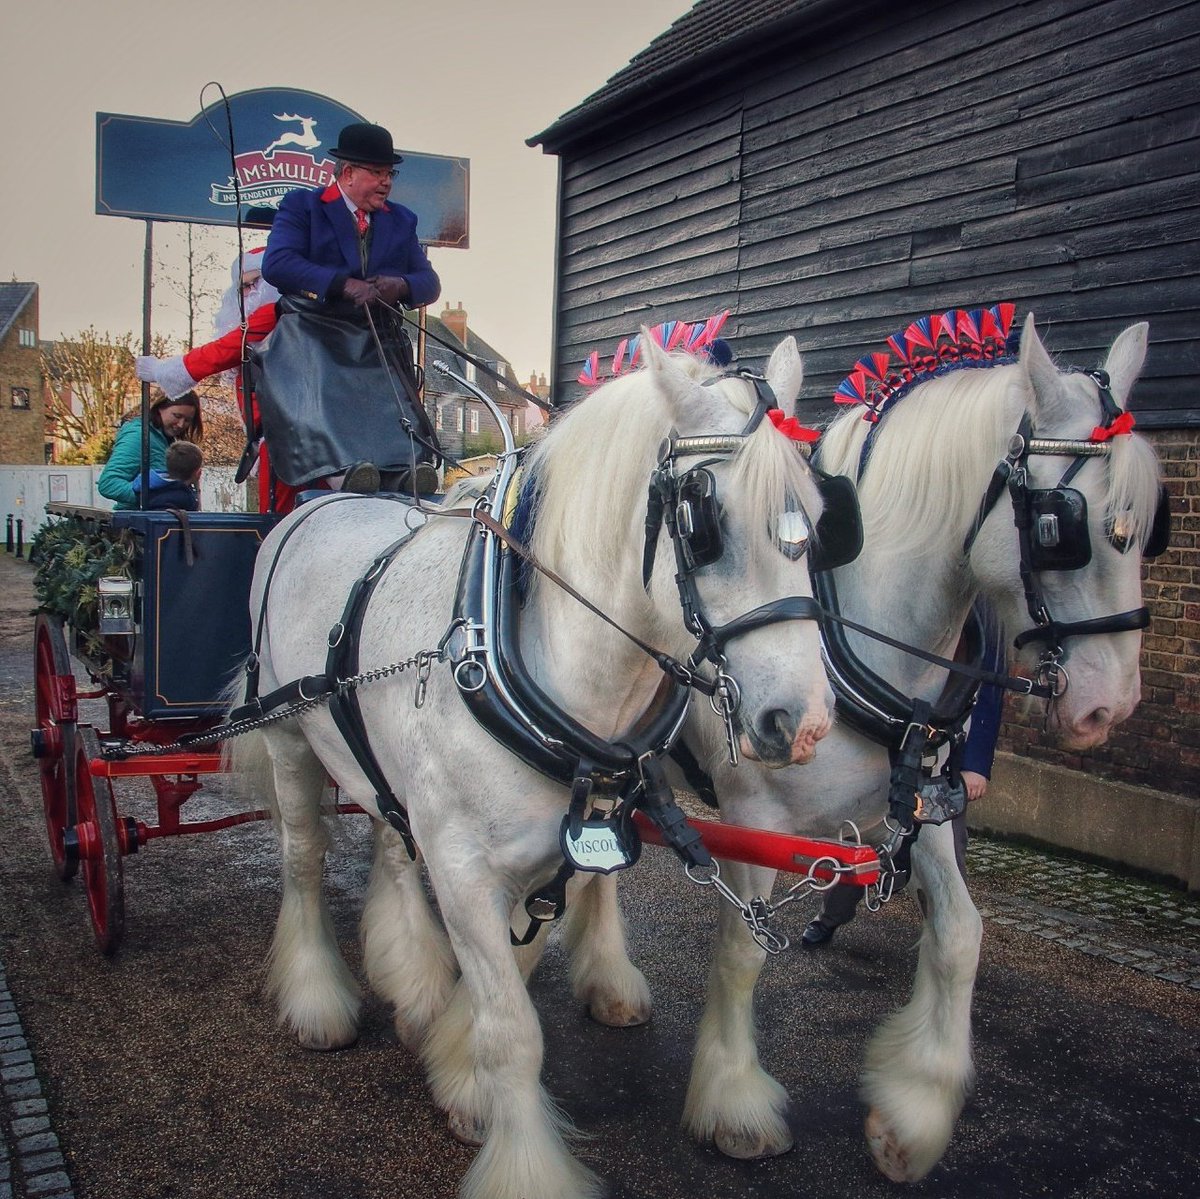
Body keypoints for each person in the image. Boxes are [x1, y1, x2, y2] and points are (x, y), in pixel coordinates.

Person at [257, 121, 442, 496]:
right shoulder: (302, 208)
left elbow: (429, 283)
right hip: (314, 329)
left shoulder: (401, 220)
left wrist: (400, 285)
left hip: (373, 333)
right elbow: (277, 265)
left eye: (389, 173)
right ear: (347, 173)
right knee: (320, 382)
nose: (386, 181)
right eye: (376, 172)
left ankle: (403, 471)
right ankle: (343, 471)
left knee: (391, 387)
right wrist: (342, 283)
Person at [801, 671, 1005, 949]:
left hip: (943, 764)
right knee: (861, 844)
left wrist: (976, 765)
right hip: (891, 749)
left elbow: (989, 683)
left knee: (949, 858)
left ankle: (946, 939)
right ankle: (830, 917)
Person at [134, 246, 301, 512]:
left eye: (254, 283)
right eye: (242, 287)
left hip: (287, 436)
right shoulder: (281, 314)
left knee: (281, 519)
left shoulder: (273, 313)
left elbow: (223, 351)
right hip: (282, 434)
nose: (248, 293)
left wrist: (162, 370)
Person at [98, 391, 202, 511]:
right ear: (160, 408)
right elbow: (109, 484)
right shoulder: (139, 436)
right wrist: (154, 500)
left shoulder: (164, 439)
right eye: (177, 416)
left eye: (187, 420)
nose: (181, 424)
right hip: (138, 523)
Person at [130, 440, 203, 512]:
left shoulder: (146, 485)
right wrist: (197, 492)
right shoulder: (186, 498)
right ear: (198, 473)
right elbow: (198, 517)